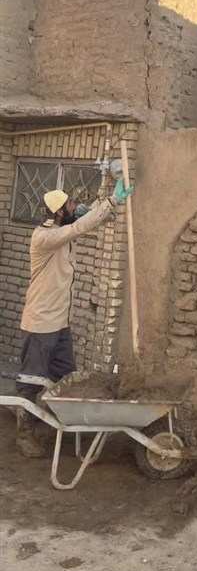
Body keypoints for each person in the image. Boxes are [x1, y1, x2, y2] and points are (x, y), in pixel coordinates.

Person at [15, 178, 133, 458]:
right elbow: (78, 227)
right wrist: (112, 201)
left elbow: (79, 220)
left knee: (67, 377)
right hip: (41, 323)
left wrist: (95, 205)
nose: (74, 207)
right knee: (31, 380)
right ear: (59, 213)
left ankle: (58, 423)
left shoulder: (59, 228)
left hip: (59, 324)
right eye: (69, 205)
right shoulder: (44, 238)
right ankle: (25, 433)